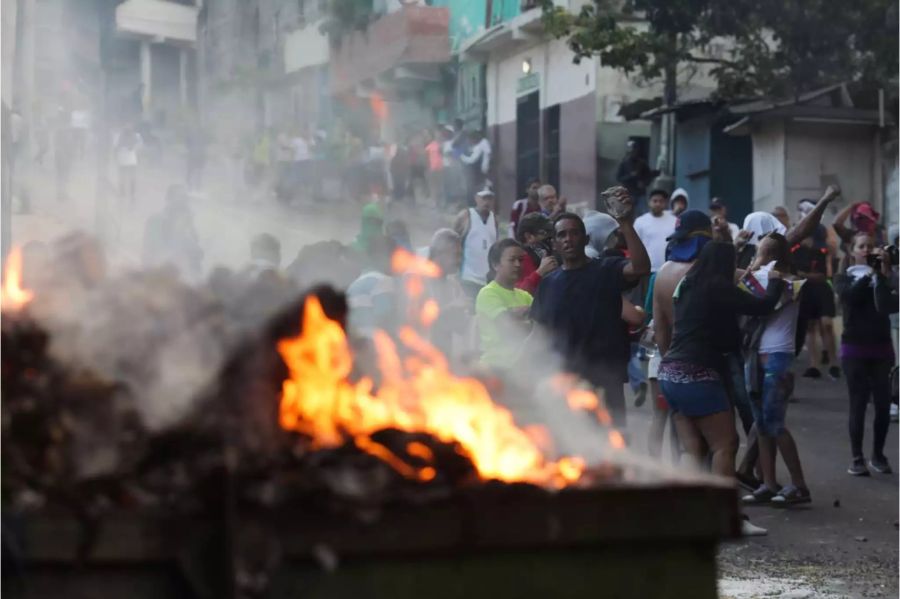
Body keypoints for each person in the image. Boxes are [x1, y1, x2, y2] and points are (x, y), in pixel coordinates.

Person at [657, 242, 783, 535]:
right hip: (698, 373)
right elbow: (762, 306)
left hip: (670, 373)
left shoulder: (688, 285)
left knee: (692, 449)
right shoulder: (718, 286)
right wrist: (775, 284)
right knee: (724, 445)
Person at [530, 197, 651, 426]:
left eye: (574, 233)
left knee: (609, 449)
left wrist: (625, 222)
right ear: (555, 243)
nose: (568, 239)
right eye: (562, 235)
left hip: (605, 380)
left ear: (585, 239)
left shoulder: (606, 270)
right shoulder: (548, 284)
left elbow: (641, 267)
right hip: (564, 382)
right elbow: (539, 335)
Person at [741, 233, 811, 506]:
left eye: (760, 252)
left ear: (769, 255)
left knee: (775, 423)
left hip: (777, 357)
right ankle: (768, 484)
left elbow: (768, 301)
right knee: (761, 424)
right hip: (757, 356)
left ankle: (799, 485)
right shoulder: (760, 280)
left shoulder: (789, 282)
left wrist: (753, 272)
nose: (756, 257)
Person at [652, 211, 713, 460]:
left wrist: (670, 363)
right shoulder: (711, 270)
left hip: (672, 365)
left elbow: (660, 329)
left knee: (685, 440)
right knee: (717, 442)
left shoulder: (663, 273)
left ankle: (680, 481)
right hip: (708, 365)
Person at [835, 232, 898, 476]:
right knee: (858, 403)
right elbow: (849, 297)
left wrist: (882, 276)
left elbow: (889, 306)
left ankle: (878, 454)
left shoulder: (888, 276)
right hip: (854, 348)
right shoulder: (844, 276)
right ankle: (857, 457)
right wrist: (870, 275)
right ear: (853, 252)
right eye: (862, 246)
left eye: (871, 246)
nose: (867, 250)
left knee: (883, 405)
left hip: (882, 348)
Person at [790, 202, 839, 381]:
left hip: (821, 285)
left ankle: (834, 362)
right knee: (810, 326)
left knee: (826, 324)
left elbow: (830, 257)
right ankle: (814, 365)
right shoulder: (795, 237)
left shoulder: (821, 231)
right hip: (805, 287)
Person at [476, 239, 533, 371]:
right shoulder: (488, 293)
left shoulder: (524, 295)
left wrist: (516, 315)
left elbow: (541, 326)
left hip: (522, 369)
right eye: (512, 260)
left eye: (520, 260)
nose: (518, 264)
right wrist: (528, 321)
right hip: (496, 367)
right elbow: (509, 329)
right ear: (495, 264)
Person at [424, 229, 471, 359]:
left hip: (445, 357)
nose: (460, 261)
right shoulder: (417, 279)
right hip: (419, 357)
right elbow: (413, 320)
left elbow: (461, 327)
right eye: (455, 255)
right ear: (437, 253)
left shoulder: (453, 284)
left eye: (461, 256)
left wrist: (464, 314)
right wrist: (451, 308)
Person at [142, 185, 203, 281]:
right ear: (169, 199)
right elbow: (151, 249)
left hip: (177, 271)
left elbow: (195, 245)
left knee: (195, 251)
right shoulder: (155, 220)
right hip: (159, 270)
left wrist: (190, 225)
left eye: (185, 198)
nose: (184, 202)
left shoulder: (185, 221)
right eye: (181, 197)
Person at [347, 234, 398, 337]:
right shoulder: (382, 281)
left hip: (355, 345)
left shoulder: (353, 285)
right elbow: (386, 318)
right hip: (375, 346)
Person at [454, 188, 499, 300]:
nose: (486, 202)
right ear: (476, 198)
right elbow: (454, 241)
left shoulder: (494, 219)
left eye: (489, 198)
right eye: (484, 198)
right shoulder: (466, 216)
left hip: (488, 278)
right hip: (469, 276)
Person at [634, 189, 677, 273]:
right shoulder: (640, 222)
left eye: (661, 201)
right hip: (647, 270)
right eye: (655, 201)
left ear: (665, 203)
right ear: (649, 202)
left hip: (669, 269)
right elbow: (635, 246)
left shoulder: (674, 220)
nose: (658, 204)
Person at [515, 212, 558, 294]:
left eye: (551, 233)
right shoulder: (519, 260)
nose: (549, 237)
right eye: (544, 233)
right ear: (529, 236)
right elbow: (517, 293)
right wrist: (540, 272)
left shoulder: (544, 255)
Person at [615, 140, 655, 212]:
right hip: (627, 193)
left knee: (643, 214)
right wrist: (630, 176)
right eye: (632, 151)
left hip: (640, 194)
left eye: (635, 150)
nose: (633, 152)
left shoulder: (642, 163)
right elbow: (619, 178)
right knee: (626, 214)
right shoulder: (624, 163)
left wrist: (644, 183)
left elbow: (649, 176)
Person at [115, 125, 143, 207]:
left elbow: (139, 145)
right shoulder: (120, 136)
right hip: (124, 159)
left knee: (130, 177)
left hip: (129, 159)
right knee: (124, 177)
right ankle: (124, 192)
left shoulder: (136, 136)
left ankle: (130, 193)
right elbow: (117, 146)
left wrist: (134, 147)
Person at [460, 130, 491, 200]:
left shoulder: (480, 145)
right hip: (484, 171)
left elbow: (472, 160)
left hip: (482, 172)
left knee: (480, 189)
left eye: (470, 140)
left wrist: (461, 156)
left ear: (474, 138)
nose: (470, 142)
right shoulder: (483, 143)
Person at [424, 128, 444, 207]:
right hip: (436, 169)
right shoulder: (434, 146)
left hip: (435, 169)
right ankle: (436, 202)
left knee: (434, 186)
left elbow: (426, 159)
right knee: (436, 186)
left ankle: (436, 202)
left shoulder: (433, 146)